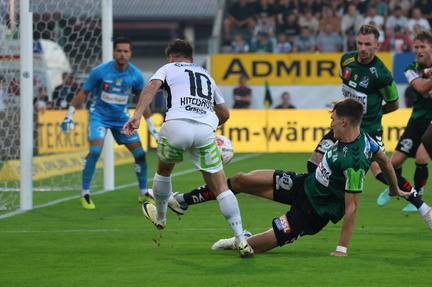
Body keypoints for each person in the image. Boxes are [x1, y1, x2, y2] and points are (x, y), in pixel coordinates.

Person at [161, 98, 431, 255]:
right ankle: (183, 200)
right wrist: (394, 188)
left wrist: (341, 249)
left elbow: (352, 208)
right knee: (242, 179)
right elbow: (384, 160)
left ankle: (238, 239)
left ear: (345, 122)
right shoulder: (368, 140)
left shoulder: (354, 162)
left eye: (334, 119)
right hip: (304, 185)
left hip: (313, 212)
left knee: (252, 248)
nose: (330, 123)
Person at [122, 39, 254, 258]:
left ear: (171, 57)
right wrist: (210, 125)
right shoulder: (206, 75)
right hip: (204, 131)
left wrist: (136, 116)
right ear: (191, 59)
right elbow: (225, 115)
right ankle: (241, 238)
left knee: (164, 171)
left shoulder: (168, 68)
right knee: (221, 187)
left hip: (176, 126)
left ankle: (161, 218)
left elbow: (151, 87)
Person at [60, 37, 159, 210]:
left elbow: (142, 100)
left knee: (140, 155)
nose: (122, 54)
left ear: (130, 53)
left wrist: (151, 126)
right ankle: (85, 194)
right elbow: (84, 92)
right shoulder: (100, 71)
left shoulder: (135, 75)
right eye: (119, 51)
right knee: (96, 150)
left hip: (121, 119)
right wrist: (70, 114)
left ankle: (143, 193)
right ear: (114, 52)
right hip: (99, 116)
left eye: (125, 51)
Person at [307, 25, 400, 199]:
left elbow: (394, 105)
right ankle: (324, 201)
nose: (362, 48)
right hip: (344, 125)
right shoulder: (346, 60)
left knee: (381, 170)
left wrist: (370, 115)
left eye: (367, 44)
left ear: (376, 46)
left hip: (369, 129)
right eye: (359, 43)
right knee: (314, 161)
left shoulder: (382, 75)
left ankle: (418, 201)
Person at [377, 31, 432, 211]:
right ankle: (394, 187)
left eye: (422, 46)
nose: (418, 50)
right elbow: (421, 87)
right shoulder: (410, 68)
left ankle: (417, 197)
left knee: (422, 157)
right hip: (417, 119)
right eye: (416, 47)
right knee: (393, 163)